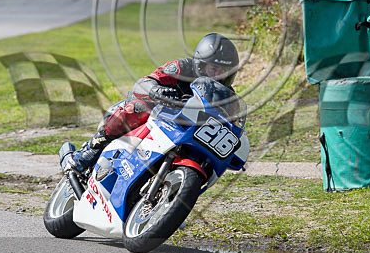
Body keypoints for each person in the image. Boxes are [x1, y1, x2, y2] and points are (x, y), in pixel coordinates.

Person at [60, 33, 240, 174]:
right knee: (138, 107)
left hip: (187, 134)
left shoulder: (228, 97)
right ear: (201, 64)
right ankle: (90, 149)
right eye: (214, 68)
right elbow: (143, 83)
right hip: (159, 114)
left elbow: (234, 127)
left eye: (224, 71)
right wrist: (157, 91)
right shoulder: (181, 68)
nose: (218, 75)